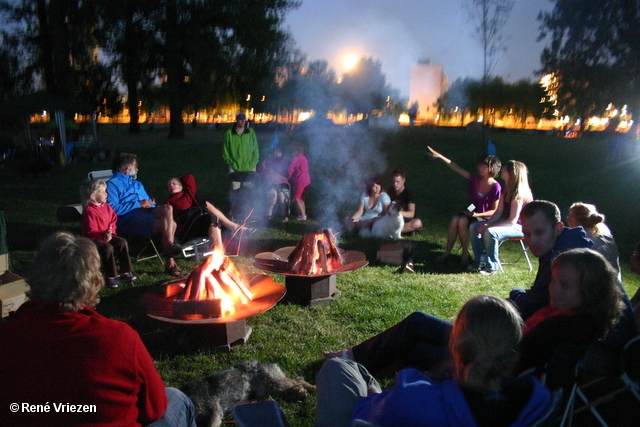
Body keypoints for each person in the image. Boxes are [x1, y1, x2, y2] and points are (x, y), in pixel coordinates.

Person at [321, 249, 623, 391]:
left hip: (486, 357)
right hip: (491, 343)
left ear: (589, 291)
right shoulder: (570, 315)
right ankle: (358, 364)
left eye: (564, 285)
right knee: (417, 325)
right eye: (554, 281)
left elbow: (512, 363)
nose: (553, 289)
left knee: (415, 337)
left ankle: (354, 367)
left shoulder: (562, 327)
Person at [0, 232, 196, 427]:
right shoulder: (118, 338)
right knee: (176, 398)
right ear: (93, 283)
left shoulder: (7, 337)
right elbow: (155, 409)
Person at [316, 295, 555, 427]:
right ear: (512, 352)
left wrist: (373, 398)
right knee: (359, 372)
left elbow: (365, 416)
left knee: (338, 370)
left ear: (455, 344)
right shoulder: (536, 402)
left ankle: (351, 367)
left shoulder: (417, 398)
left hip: (374, 414)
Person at [107, 153, 183, 277]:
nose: (137, 169)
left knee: (168, 208)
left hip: (147, 212)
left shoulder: (137, 184)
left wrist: (149, 204)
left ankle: (170, 249)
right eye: (135, 166)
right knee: (171, 224)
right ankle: (170, 259)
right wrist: (138, 204)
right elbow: (113, 209)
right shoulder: (112, 185)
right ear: (127, 167)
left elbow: (150, 204)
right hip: (129, 217)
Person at [427, 146, 502, 265]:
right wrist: (440, 156)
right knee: (455, 219)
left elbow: (494, 210)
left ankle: (464, 255)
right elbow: (456, 168)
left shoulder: (496, 187)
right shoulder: (475, 179)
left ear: (492, 168)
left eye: (484, 166)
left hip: (484, 216)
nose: (480, 167)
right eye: (480, 165)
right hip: (471, 211)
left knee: (462, 221)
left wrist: (476, 214)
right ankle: (447, 252)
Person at [469, 160, 533, 274]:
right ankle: (480, 260)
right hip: (508, 222)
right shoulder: (506, 188)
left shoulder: (519, 193)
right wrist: (487, 224)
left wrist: (488, 227)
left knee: (491, 232)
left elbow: (513, 220)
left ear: (511, 173)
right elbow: (498, 212)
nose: (502, 170)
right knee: (474, 226)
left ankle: (491, 267)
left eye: (504, 169)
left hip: (521, 226)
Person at [165, 175, 252, 253]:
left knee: (213, 218)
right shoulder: (168, 202)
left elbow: (189, 177)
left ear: (181, 187)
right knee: (205, 204)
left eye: (174, 183)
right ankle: (235, 227)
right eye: (169, 185)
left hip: (199, 222)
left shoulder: (188, 195)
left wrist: (178, 179)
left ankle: (219, 251)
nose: (171, 185)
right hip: (188, 227)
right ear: (168, 191)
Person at [81, 179, 136, 289]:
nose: (106, 194)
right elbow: (91, 230)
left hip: (107, 234)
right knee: (107, 248)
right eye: (102, 191)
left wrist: (110, 231)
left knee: (122, 242)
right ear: (93, 196)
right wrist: (104, 236)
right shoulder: (90, 211)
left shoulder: (106, 206)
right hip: (94, 238)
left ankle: (125, 272)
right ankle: (109, 276)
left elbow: (113, 219)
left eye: (105, 191)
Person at [567, 202, 621, 280]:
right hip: (614, 281)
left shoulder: (578, 237)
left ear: (578, 220)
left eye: (570, 218)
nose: (568, 220)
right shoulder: (604, 233)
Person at [223, 113, 259, 191]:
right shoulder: (229, 133)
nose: (243, 121)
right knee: (235, 190)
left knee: (249, 190)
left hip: (250, 165)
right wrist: (230, 161)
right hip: (235, 166)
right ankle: (235, 203)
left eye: (244, 119)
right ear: (236, 121)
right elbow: (226, 149)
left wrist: (254, 161)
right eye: (240, 119)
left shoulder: (250, 132)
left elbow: (255, 148)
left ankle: (249, 203)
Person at [257, 145, 290, 221]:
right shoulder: (267, 161)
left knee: (282, 198)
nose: (276, 153)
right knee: (272, 195)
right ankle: (268, 215)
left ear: (282, 153)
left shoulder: (286, 161)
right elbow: (260, 171)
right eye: (275, 151)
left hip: (282, 182)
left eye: (278, 152)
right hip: (271, 182)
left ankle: (284, 216)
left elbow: (290, 172)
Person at [386, 167, 423, 234]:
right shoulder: (390, 191)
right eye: (393, 182)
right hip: (392, 219)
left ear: (403, 181)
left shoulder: (409, 193)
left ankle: (394, 231)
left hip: (405, 219)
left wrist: (397, 212)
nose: (395, 184)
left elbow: (411, 214)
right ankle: (402, 231)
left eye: (398, 182)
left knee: (417, 223)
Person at [288, 142, 311, 221]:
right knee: (301, 198)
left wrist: (288, 176)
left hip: (300, 180)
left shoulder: (296, 158)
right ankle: (303, 215)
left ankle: (303, 215)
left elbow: (291, 168)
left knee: (296, 198)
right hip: (306, 179)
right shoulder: (303, 157)